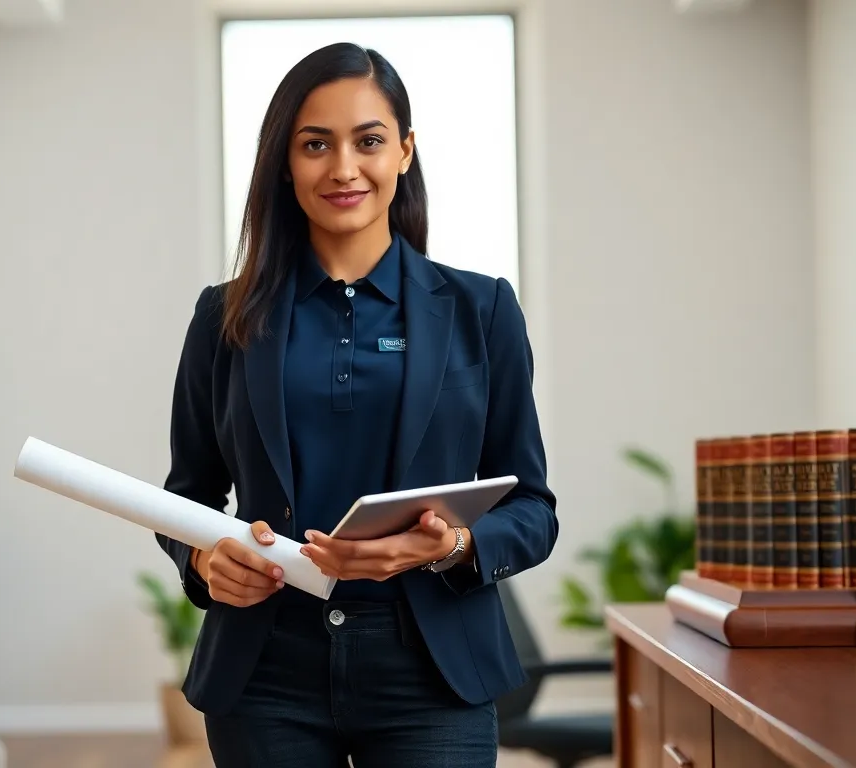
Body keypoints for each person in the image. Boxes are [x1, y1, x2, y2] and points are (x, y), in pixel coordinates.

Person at [155, 41, 557, 767]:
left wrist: (456, 545)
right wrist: (204, 557)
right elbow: (187, 494)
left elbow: (531, 508)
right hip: (265, 675)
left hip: (432, 674)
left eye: (368, 141)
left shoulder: (482, 309)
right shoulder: (225, 317)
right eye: (315, 144)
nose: (343, 168)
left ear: (403, 151)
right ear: (285, 160)